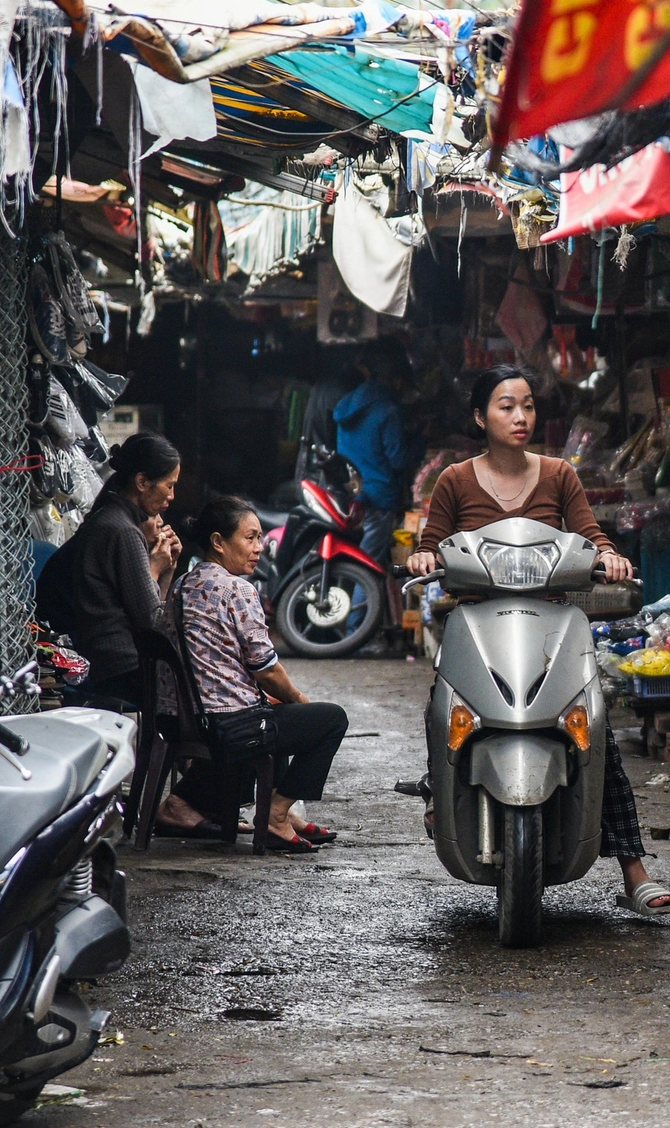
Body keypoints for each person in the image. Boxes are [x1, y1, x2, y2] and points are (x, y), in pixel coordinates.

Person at [409, 365, 670, 914]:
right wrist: (424, 555)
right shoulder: (456, 480)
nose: (520, 416)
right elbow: (432, 542)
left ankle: (634, 872)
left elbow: (589, 533)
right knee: (447, 709)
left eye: (527, 405)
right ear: (481, 416)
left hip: (553, 625)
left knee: (591, 732)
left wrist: (609, 555)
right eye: (506, 406)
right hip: (479, 623)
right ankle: (441, 787)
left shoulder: (559, 475)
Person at [170, 496, 350, 854]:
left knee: (276, 707)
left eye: (260, 538)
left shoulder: (183, 585)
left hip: (192, 715)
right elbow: (266, 669)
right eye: (250, 538)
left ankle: (280, 812)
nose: (259, 547)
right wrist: (297, 697)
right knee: (329, 719)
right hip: (228, 724)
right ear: (219, 542)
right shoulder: (236, 589)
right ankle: (276, 815)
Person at [37, 432, 182, 704]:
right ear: (142, 482)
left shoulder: (113, 521)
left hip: (113, 661)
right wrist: (155, 566)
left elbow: (152, 609)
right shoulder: (122, 531)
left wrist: (167, 568)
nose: (172, 496)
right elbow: (152, 621)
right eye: (169, 486)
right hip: (121, 665)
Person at [335, 340, 416, 575]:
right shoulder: (387, 410)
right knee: (367, 568)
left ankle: (355, 607)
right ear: (395, 380)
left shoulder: (348, 405)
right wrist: (418, 441)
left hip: (352, 495)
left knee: (354, 562)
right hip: (379, 497)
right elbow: (398, 459)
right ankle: (358, 613)